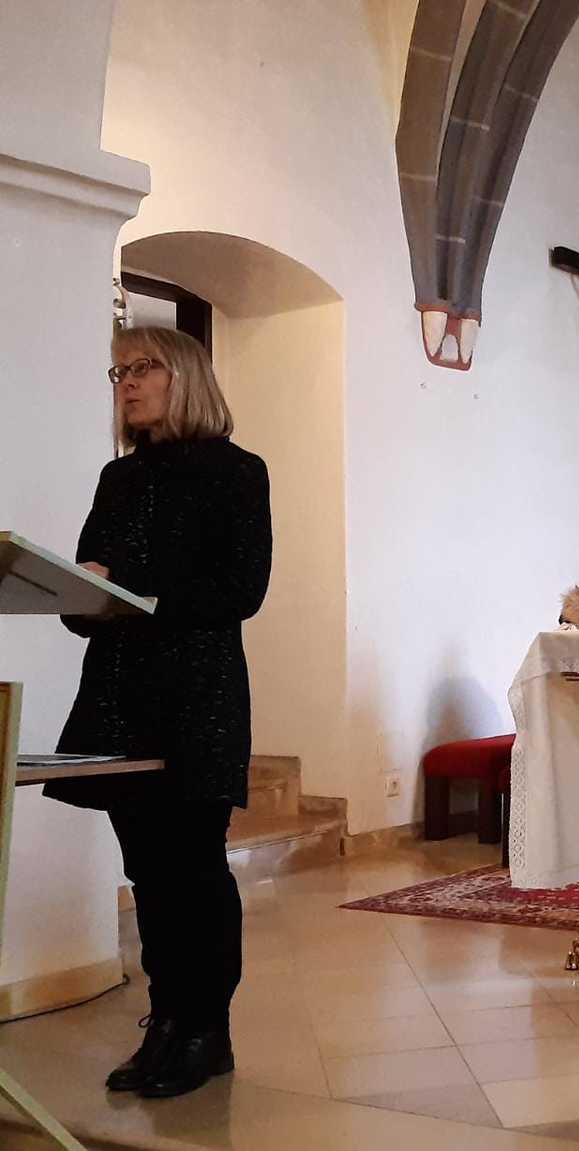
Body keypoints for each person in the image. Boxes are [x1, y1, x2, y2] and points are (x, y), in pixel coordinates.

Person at [45, 326, 272, 1098]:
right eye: (120, 371)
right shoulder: (119, 479)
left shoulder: (238, 472)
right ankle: (167, 1020)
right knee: (146, 869)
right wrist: (82, 592)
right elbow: (87, 599)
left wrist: (134, 595)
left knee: (194, 866)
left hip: (197, 695)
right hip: (121, 696)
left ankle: (208, 1028)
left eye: (144, 368)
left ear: (186, 377)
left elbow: (241, 589)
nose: (129, 383)